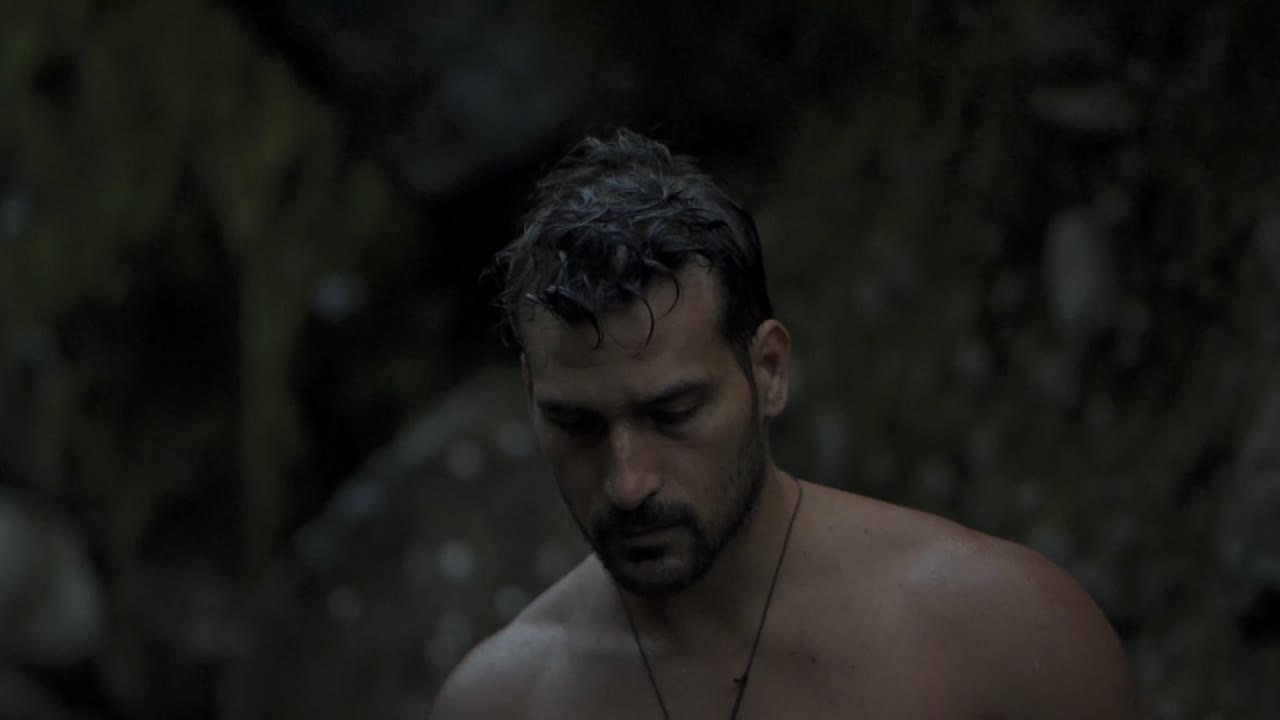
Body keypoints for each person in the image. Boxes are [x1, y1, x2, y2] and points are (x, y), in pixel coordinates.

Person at [432, 130, 1143, 719]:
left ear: (768, 370)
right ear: (531, 398)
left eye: (673, 413)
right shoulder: (504, 702)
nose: (627, 482)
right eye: (576, 423)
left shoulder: (1000, 636)